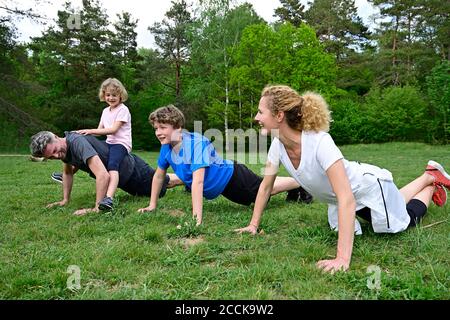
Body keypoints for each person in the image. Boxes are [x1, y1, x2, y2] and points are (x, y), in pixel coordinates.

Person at [235, 85, 449, 274]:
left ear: (279, 115)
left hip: (367, 189)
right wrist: (253, 225)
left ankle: (430, 181)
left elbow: (346, 197)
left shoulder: (319, 142)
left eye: (260, 112)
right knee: (393, 205)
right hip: (343, 199)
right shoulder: (277, 145)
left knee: (402, 222)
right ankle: (428, 176)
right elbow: (265, 187)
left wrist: (342, 259)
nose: (256, 117)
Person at [137, 104, 313, 225]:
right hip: (223, 185)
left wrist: (196, 219)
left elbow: (198, 182)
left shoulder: (196, 144)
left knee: (264, 190)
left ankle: (299, 183)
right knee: (262, 189)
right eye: (156, 128)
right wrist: (152, 205)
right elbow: (159, 175)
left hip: (233, 178)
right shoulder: (166, 147)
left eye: (163, 127)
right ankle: (296, 184)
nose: (158, 132)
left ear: (177, 127)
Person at [30, 131, 182, 216]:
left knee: (165, 182)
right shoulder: (66, 149)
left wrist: (97, 207)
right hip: (123, 179)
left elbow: (103, 175)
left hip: (132, 170)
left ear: (56, 137)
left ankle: (194, 178)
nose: (57, 156)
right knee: (160, 184)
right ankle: (192, 179)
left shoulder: (76, 143)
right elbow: (68, 173)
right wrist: (65, 200)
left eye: (55, 151)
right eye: (51, 157)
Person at [76, 78, 132, 211]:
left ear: (120, 95)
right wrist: (83, 134)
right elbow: (100, 130)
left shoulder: (123, 109)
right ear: (103, 95)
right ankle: (69, 171)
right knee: (87, 150)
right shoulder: (105, 111)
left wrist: (90, 130)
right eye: (108, 95)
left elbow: (113, 130)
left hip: (121, 144)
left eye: (114, 95)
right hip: (109, 142)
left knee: (112, 166)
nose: (111, 98)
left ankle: (109, 198)